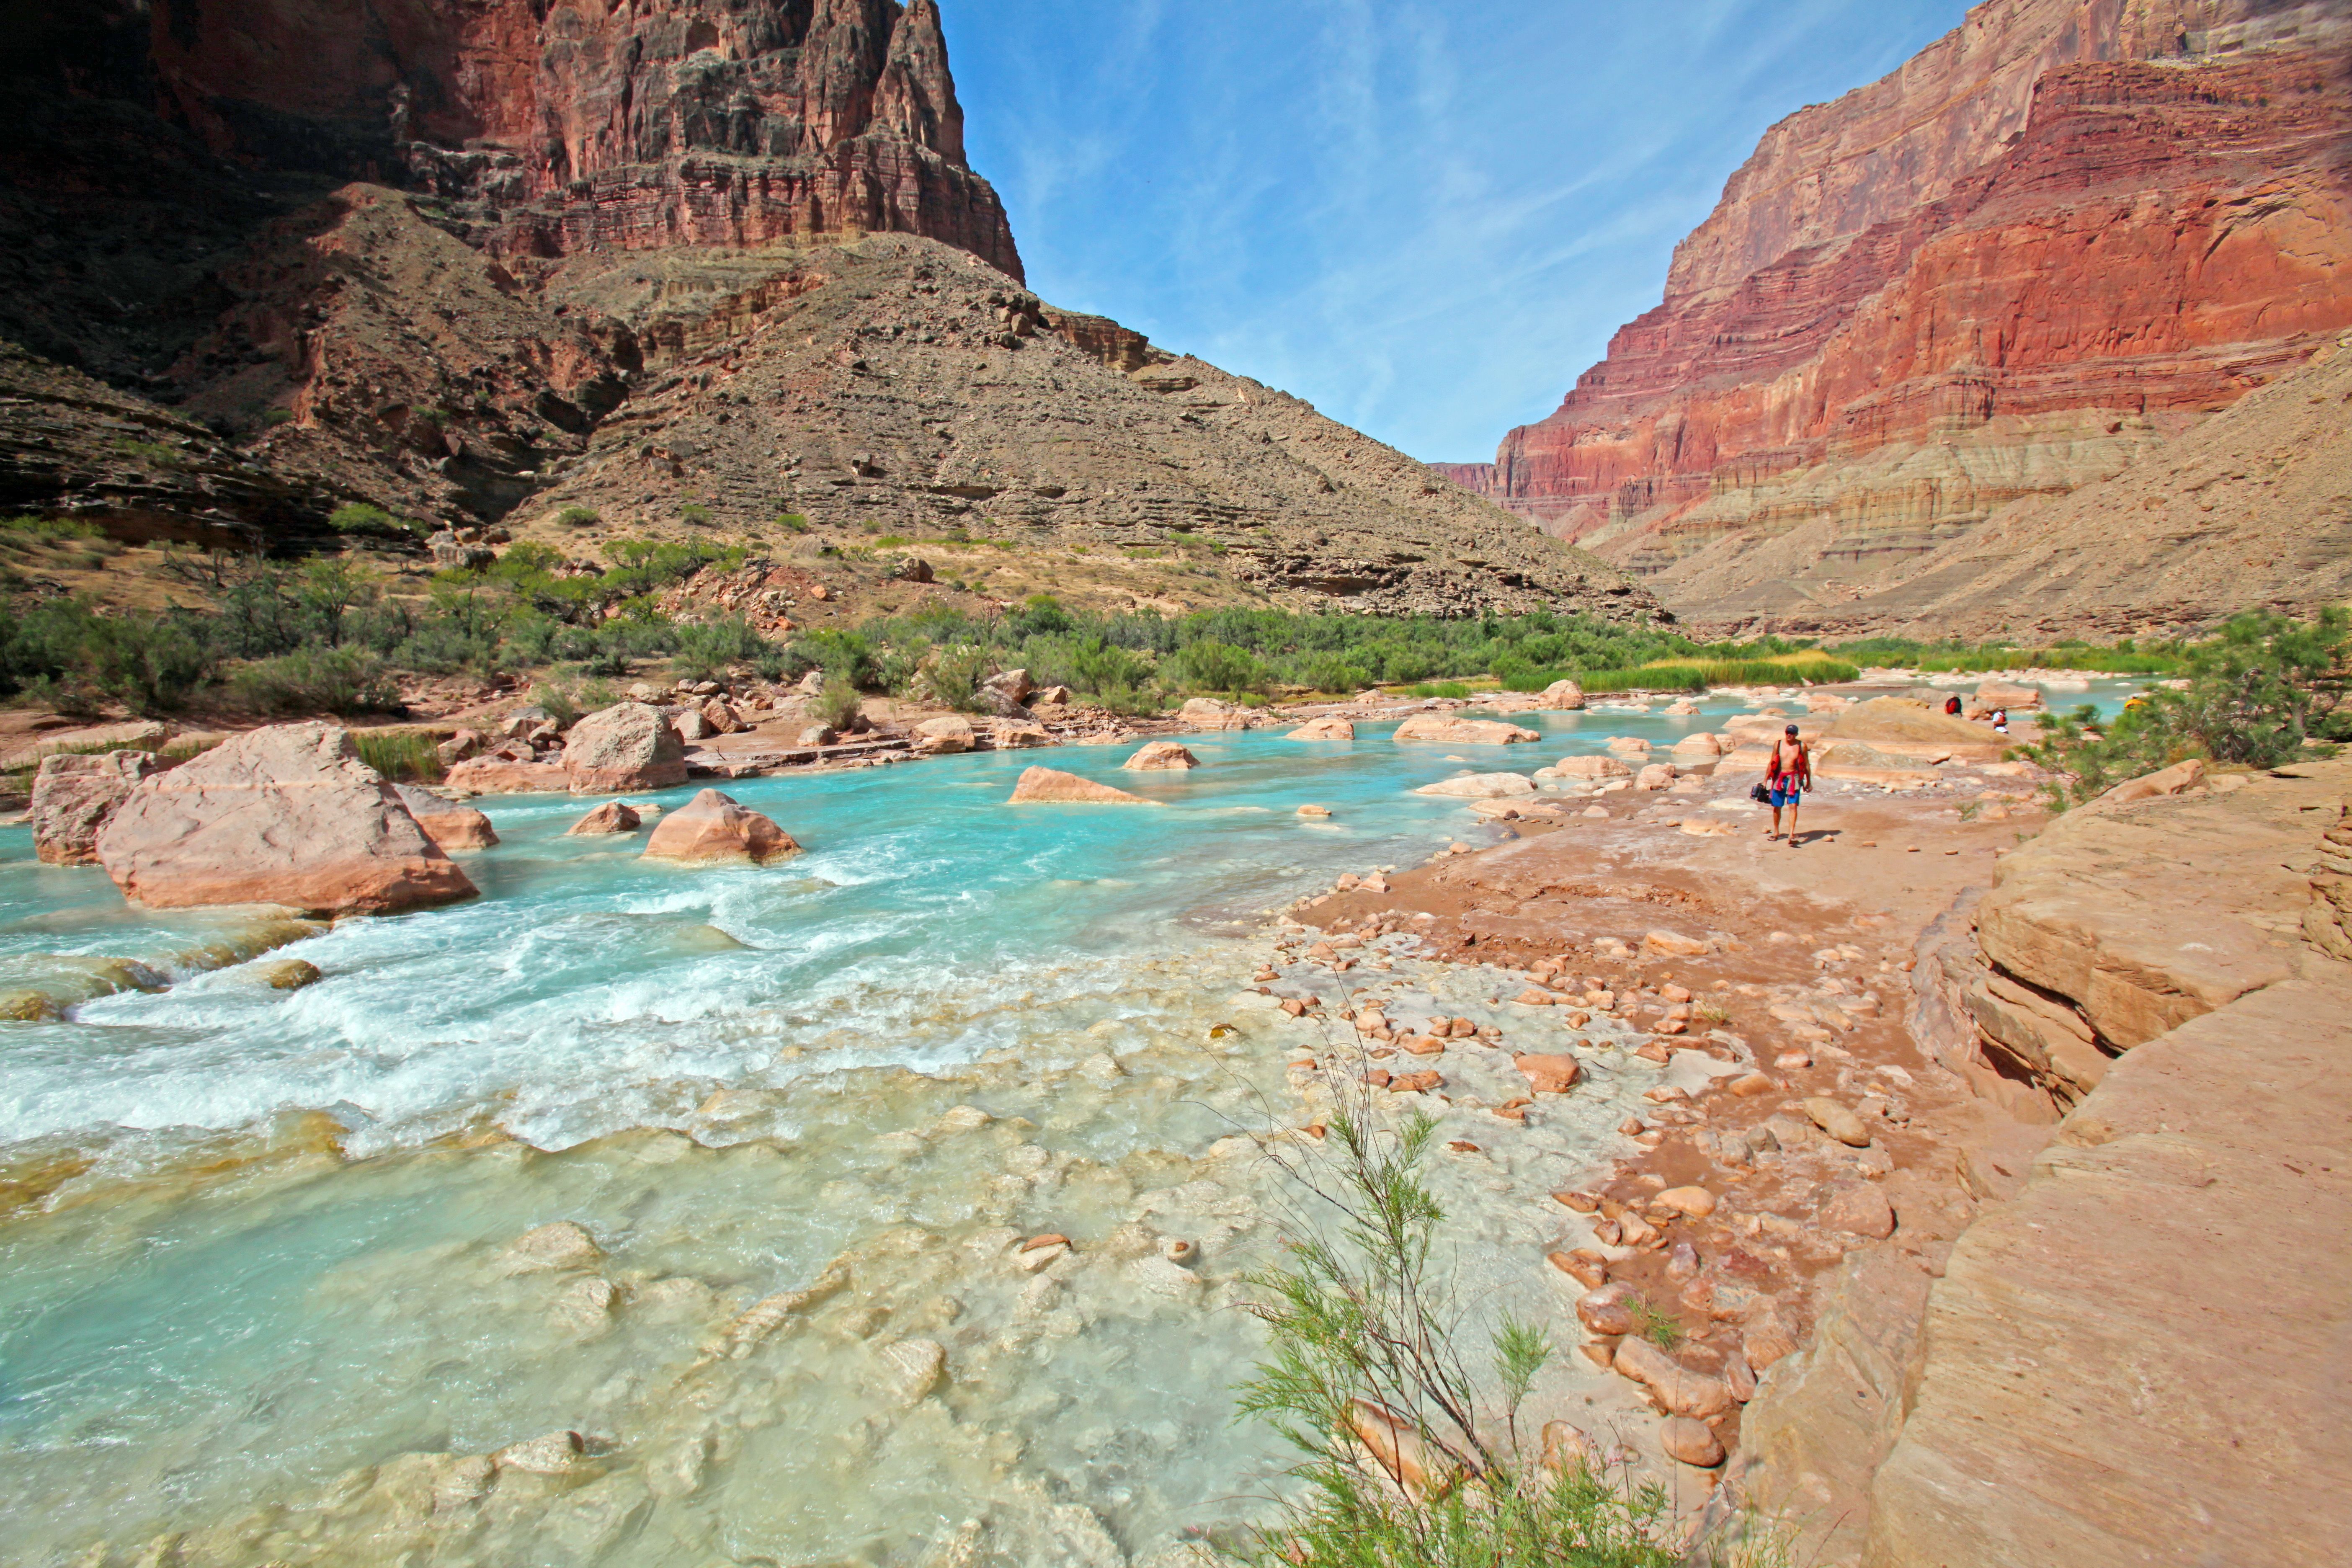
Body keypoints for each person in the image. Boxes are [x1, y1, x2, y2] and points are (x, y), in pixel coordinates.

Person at [1765, 722, 1811, 845]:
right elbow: (1772, 762)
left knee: (1793, 806)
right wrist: (1765, 781)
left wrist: (1809, 782)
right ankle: (1776, 832)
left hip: (1794, 778)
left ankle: (1791, 835)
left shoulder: (1802, 746)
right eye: (1787, 733)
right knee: (1777, 806)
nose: (1789, 735)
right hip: (1779, 778)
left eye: (1792, 733)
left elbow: (1806, 764)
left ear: (1796, 734)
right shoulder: (1778, 744)